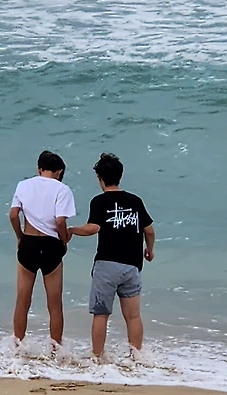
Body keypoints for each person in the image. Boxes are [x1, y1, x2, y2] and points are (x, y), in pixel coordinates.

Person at [68, 153, 155, 362]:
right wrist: (149, 250)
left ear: (100, 179)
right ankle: (137, 358)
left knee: (101, 314)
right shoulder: (135, 201)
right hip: (132, 266)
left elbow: (93, 228)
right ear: (120, 176)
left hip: (107, 265)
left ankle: (97, 357)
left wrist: (71, 230)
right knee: (133, 316)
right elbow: (149, 230)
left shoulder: (99, 201)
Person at [9, 150, 76, 350]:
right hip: (51, 246)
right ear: (59, 171)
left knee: (22, 302)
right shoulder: (62, 189)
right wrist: (64, 239)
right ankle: (56, 350)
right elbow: (60, 221)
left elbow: (13, 215)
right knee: (54, 305)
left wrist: (20, 236)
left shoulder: (23, 185)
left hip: (28, 243)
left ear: (39, 168)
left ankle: (18, 348)